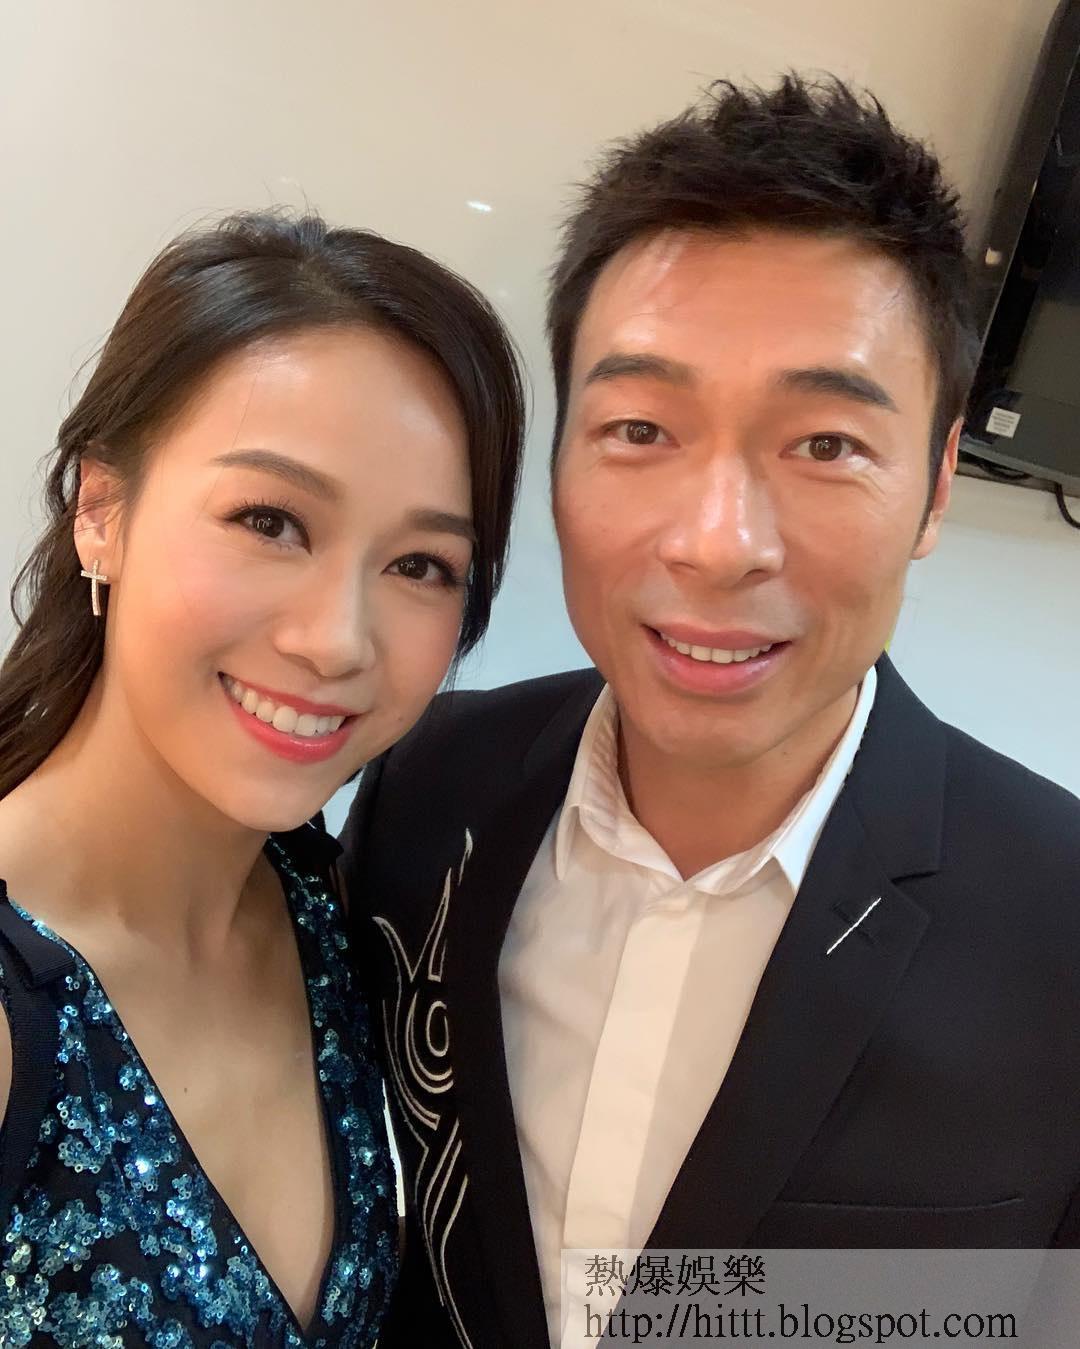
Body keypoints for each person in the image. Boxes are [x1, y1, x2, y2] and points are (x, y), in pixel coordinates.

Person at [341, 76, 1080, 1349]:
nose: (718, 542)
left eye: (826, 444)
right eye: (640, 427)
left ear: (938, 482)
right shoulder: (428, 785)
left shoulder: (1058, 923)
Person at [0, 211, 524, 1347]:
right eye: (271, 520)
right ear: (100, 512)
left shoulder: (329, 906)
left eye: (420, 563)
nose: (337, 640)